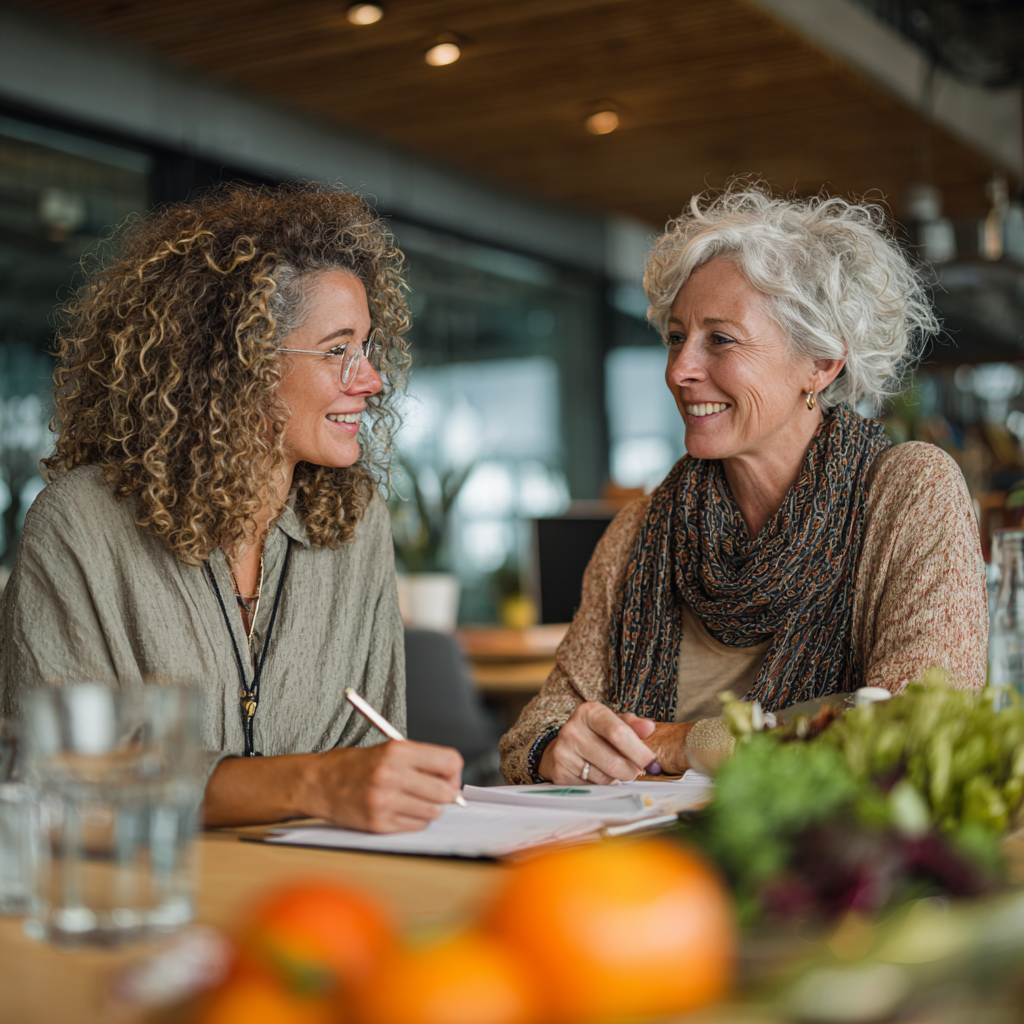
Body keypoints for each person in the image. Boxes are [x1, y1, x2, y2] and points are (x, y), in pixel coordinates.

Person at [0, 182, 464, 832]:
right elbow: (54, 778)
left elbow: (368, 761)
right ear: (241, 358)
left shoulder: (357, 521)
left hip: (320, 902)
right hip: (144, 900)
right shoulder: (80, 525)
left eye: (367, 349)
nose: (371, 380)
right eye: (338, 351)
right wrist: (311, 782)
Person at [500, 184, 988, 786]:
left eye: (720, 339)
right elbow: (533, 730)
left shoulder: (909, 491)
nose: (680, 370)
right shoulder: (641, 530)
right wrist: (557, 748)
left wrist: (690, 742)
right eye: (677, 337)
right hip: (638, 867)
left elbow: (918, 732)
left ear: (822, 362)